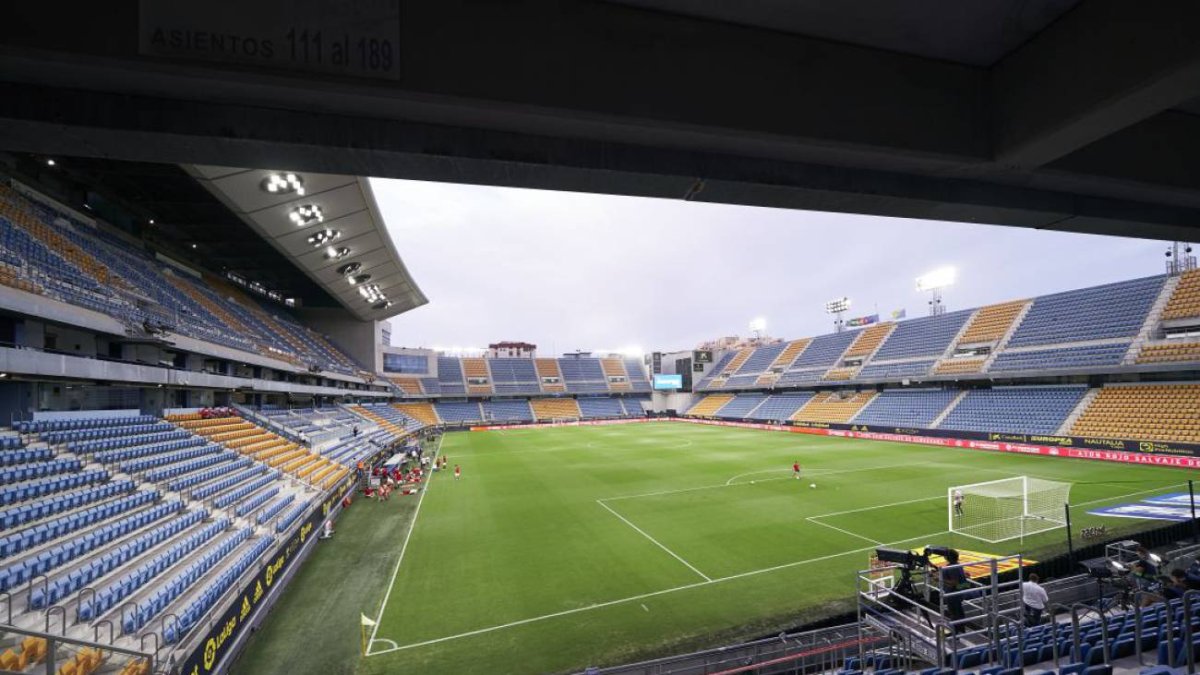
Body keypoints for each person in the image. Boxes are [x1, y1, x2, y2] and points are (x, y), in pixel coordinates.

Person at [939, 549, 968, 622]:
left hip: (953, 595)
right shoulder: (957, 564)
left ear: (949, 557)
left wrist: (940, 579)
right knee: (958, 613)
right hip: (956, 593)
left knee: (955, 614)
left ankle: (957, 631)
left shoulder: (951, 568)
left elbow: (954, 582)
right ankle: (960, 630)